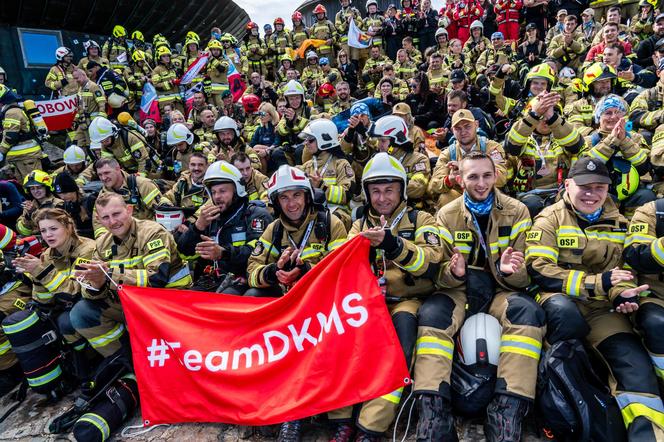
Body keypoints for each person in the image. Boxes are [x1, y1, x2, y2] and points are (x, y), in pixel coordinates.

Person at [526, 157, 664, 439]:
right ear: (567, 185)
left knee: (633, 364)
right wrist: (597, 283)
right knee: (567, 316)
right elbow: (540, 270)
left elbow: (623, 271)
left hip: (601, 310)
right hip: (559, 301)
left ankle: (648, 434)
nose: (592, 194)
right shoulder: (549, 218)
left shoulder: (619, 222)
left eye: (599, 187)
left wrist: (619, 294)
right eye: (584, 187)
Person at [330, 152, 442, 441]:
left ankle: (370, 427)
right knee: (341, 343)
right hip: (367, 303)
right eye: (375, 191)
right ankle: (340, 421)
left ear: (402, 190)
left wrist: (392, 244)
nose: (382, 198)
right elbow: (341, 261)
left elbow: (430, 262)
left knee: (399, 351)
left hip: (407, 301)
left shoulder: (422, 218)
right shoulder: (359, 222)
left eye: (389, 190)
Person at [432, 151, 543, 441]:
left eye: (486, 175)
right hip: (461, 291)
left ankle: (508, 412)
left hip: (502, 291)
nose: (481, 183)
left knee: (527, 314)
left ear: (495, 176)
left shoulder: (518, 210)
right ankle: (435, 415)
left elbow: (526, 275)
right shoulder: (446, 215)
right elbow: (439, 274)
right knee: (433, 317)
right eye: (472, 176)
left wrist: (509, 272)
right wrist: (453, 273)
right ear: (460, 180)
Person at [246, 165, 346, 441]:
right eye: (284, 198)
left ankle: (301, 416)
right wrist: (272, 272)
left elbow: (341, 270)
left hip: (324, 306)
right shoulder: (273, 230)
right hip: (287, 305)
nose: (291, 203)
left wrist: (306, 271)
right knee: (250, 302)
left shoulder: (330, 223)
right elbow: (251, 270)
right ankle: (275, 406)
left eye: (296, 195)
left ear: (307, 196)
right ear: (276, 202)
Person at [70, 193, 192, 358]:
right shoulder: (102, 243)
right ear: (99, 219)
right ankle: (125, 362)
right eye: (105, 217)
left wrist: (109, 275)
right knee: (81, 312)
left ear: (129, 210)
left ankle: (148, 361)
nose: (112, 222)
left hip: (168, 301)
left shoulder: (152, 232)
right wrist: (96, 285)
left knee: (137, 321)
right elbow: (92, 292)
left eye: (116, 214)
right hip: (133, 303)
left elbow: (156, 279)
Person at [10, 208, 97, 382]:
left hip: (90, 303)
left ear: (68, 227)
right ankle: (71, 364)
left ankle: (91, 363)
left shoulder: (87, 249)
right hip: (65, 305)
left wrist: (43, 272)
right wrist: (35, 276)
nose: (48, 235)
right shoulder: (48, 254)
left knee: (65, 321)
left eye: (53, 228)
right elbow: (44, 300)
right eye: (43, 230)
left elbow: (75, 292)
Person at [177, 160, 272, 293]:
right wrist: (198, 227)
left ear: (237, 190)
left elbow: (257, 254)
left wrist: (223, 253)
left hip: (244, 280)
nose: (217, 197)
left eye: (222, 191)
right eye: (214, 192)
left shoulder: (256, 216)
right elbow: (183, 252)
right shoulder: (209, 218)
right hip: (211, 281)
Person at [428, 109, 507, 209]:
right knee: (445, 198)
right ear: (452, 131)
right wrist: (450, 179)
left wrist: (465, 169)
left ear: (476, 125)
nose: (463, 131)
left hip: (485, 194)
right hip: (460, 198)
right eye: (458, 128)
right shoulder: (447, 154)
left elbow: (501, 178)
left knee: (497, 195)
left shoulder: (492, 148)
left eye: (467, 126)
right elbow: (432, 187)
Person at [298, 119, 355, 229]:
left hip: (337, 211)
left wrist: (322, 187)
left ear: (324, 140)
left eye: (310, 140)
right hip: (310, 210)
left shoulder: (341, 164)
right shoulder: (307, 166)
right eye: (305, 140)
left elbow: (347, 195)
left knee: (328, 221)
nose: (306, 143)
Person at [93, 158, 167, 237]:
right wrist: (105, 241)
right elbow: (98, 225)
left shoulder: (142, 185)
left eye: (107, 173)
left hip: (149, 233)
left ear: (118, 169)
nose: (103, 178)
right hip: (122, 239)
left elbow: (162, 212)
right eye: (100, 175)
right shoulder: (102, 197)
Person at [371, 115, 431, 209]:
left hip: (410, 210)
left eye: (383, 141)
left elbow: (419, 188)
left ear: (396, 142)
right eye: (378, 140)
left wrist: (393, 180)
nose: (379, 145)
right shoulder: (379, 161)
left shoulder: (419, 160)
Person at [0, 85, 44, 183]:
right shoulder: (11, 111)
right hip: (21, 157)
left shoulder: (12, 112)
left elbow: (10, 137)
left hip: (27, 157)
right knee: (26, 187)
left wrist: (1, 152)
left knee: (35, 185)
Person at [88, 117, 152, 175]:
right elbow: (107, 164)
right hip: (130, 172)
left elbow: (144, 161)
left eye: (106, 140)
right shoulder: (105, 145)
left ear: (113, 134)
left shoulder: (130, 137)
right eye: (101, 142)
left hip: (150, 169)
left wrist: (139, 179)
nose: (104, 144)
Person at [16, 171, 65, 236]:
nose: (36, 191)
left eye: (39, 187)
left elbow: (57, 228)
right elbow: (23, 232)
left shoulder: (58, 204)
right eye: (32, 189)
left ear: (47, 187)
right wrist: (28, 216)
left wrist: (34, 212)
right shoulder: (29, 206)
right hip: (35, 241)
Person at [72, 68, 107, 148]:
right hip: (82, 123)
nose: (76, 80)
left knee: (92, 145)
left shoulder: (93, 86)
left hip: (92, 123)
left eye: (77, 78)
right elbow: (80, 107)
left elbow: (102, 103)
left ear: (83, 75)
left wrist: (100, 119)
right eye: (74, 78)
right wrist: (75, 119)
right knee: (76, 144)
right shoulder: (80, 89)